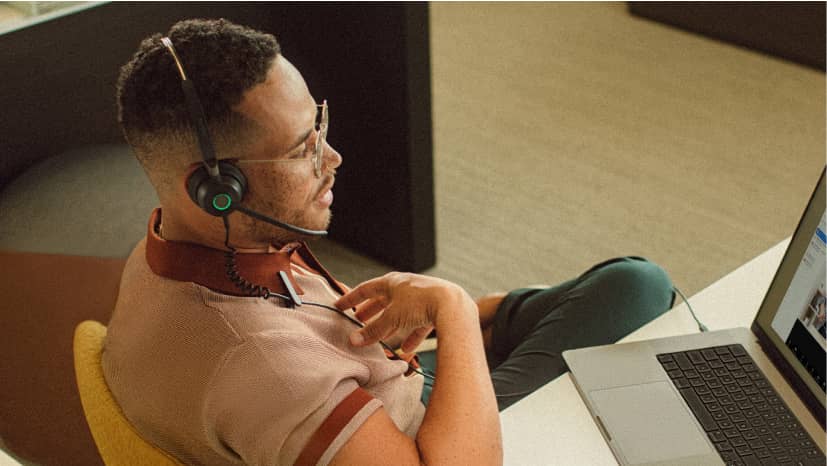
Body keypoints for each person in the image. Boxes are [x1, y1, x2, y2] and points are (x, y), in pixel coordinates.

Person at [103, 18, 675, 466]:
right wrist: (452, 308)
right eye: (302, 150)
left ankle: (503, 321)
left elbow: (316, 347)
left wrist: (442, 318)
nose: (332, 157)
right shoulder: (268, 371)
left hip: (388, 383)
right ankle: (502, 325)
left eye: (318, 125)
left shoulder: (184, 246)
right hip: (435, 439)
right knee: (640, 291)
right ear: (214, 192)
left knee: (627, 286)